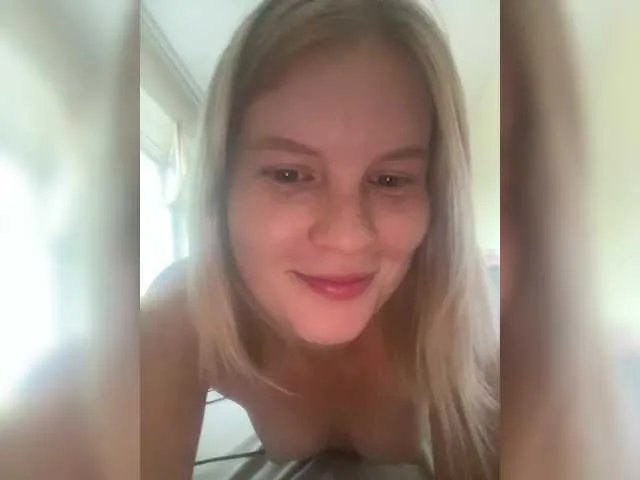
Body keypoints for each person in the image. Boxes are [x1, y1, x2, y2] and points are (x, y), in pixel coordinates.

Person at [141, 0, 498, 478]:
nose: (348, 238)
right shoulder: (185, 309)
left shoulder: (453, 308)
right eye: (290, 174)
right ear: (221, 187)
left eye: (390, 180)